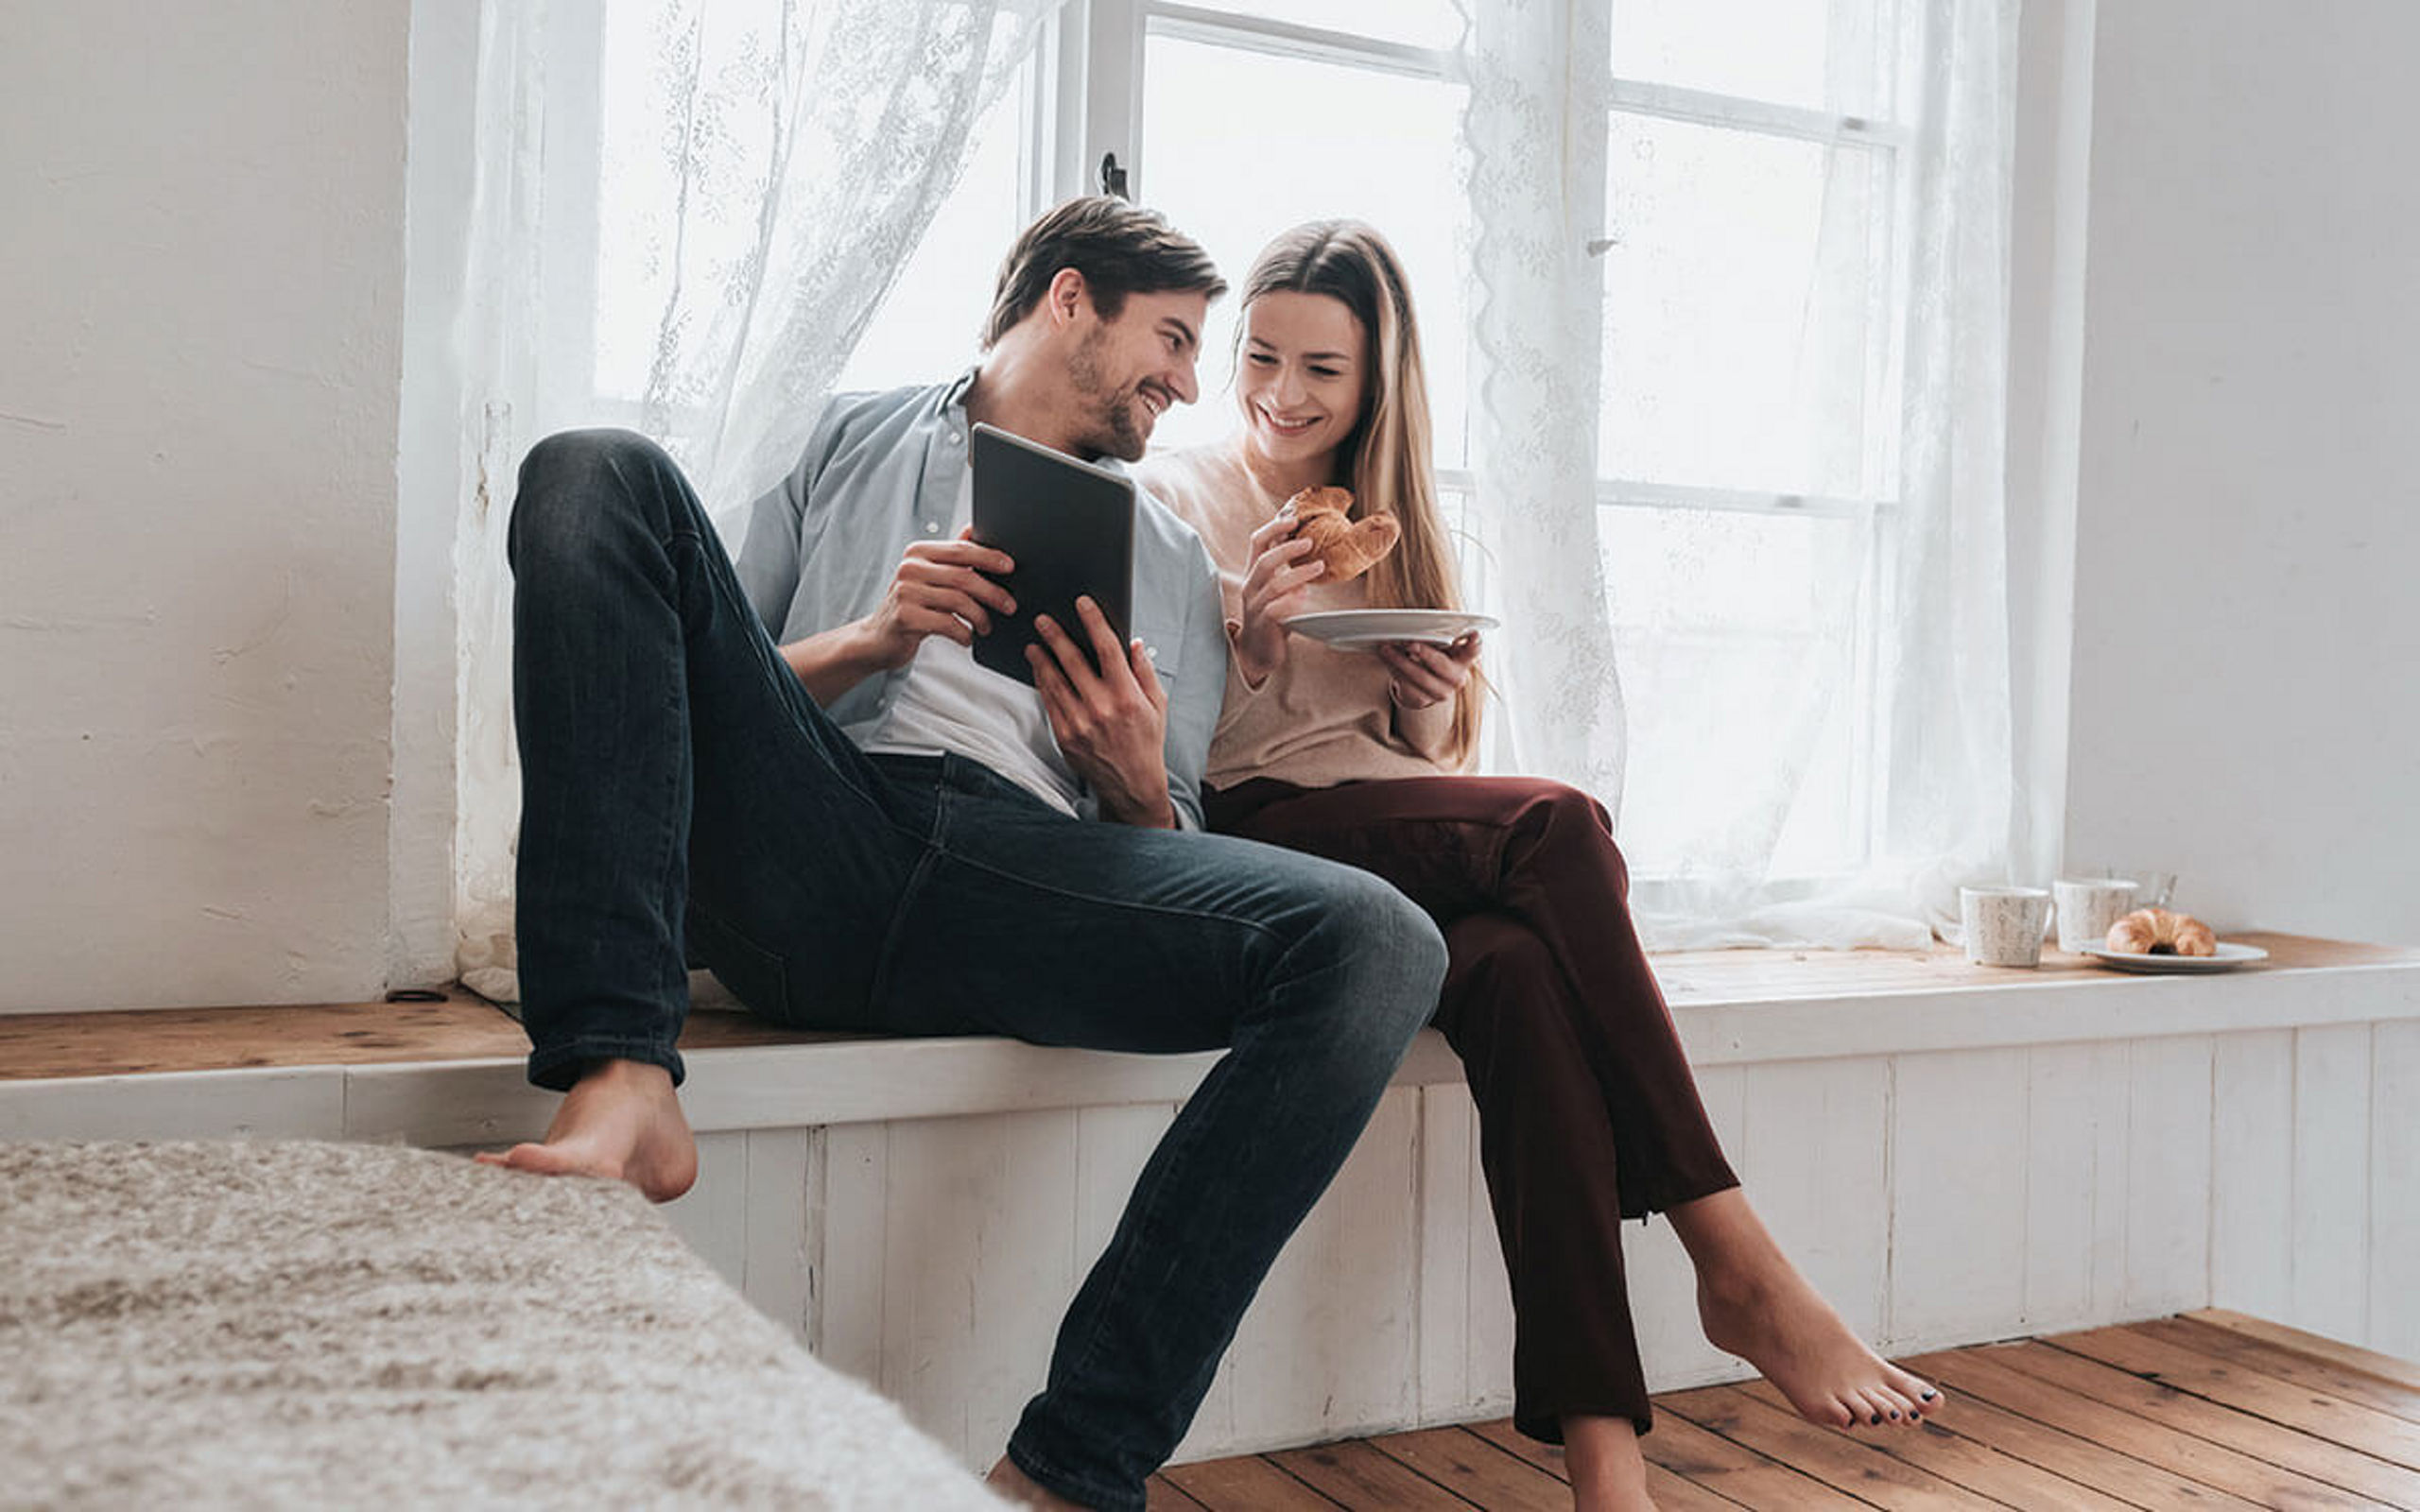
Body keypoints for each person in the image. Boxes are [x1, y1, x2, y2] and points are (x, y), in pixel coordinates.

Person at [478, 198, 1449, 1512]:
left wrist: (1125, 778)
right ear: (1067, 301)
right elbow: (675, 690)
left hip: (1023, 880)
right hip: (816, 828)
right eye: (1170, 337)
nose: (1186, 379)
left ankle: (1066, 1474)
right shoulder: (844, 436)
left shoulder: (1170, 552)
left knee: (1381, 940)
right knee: (593, 466)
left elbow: (1172, 841)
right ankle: (621, 1077)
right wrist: (871, 640)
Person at [1135, 220, 1944, 1512]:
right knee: (1563, 822)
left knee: (1514, 972)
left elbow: (1418, 750)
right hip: (1254, 831)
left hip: (1381, 818)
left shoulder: (1391, 521)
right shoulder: (1177, 497)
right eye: (1261, 356)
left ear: (1375, 384)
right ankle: (1737, 1256)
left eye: (1321, 371)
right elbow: (1164, 761)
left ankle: (1605, 1470)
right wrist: (1247, 635)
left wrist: (1423, 697)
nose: (1281, 394)